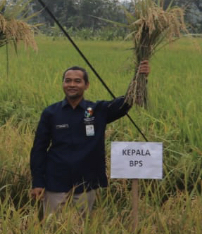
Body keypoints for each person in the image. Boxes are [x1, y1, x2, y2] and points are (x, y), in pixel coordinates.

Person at [30, 60, 151, 216]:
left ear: (86, 85)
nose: (72, 84)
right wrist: (38, 182)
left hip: (86, 183)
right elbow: (39, 149)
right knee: (51, 228)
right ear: (63, 84)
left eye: (77, 81)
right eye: (68, 81)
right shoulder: (51, 113)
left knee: (83, 229)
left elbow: (126, 102)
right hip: (55, 182)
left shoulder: (96, 111)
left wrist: (140, 78)